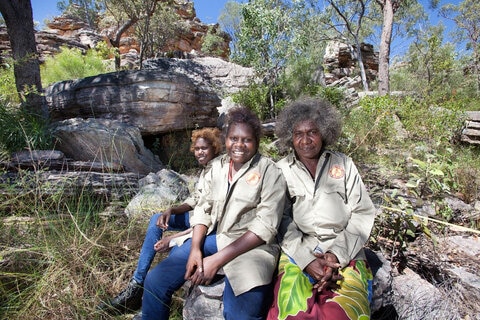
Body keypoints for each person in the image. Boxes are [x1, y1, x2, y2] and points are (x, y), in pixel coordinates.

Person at [140, 107, 287, 320]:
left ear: (257, 142)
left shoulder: (270, 172)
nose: (239, 145)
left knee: (239, 315)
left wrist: (216, 261)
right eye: (234, 138)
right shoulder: (217, 166)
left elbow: (265, 226)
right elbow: (203, 208)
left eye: (247, 140)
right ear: (225, 139)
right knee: (155, 281)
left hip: (252, 248)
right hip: (216, 239)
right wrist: (195, 249)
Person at [267, 97, 376, 320]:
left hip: (345, 250)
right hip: (299, 250)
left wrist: (336, 253)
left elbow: (363, 212)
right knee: (292, 311)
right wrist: (306, 260)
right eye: (298, 133)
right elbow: (280, 220)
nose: (305, 140)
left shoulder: (344, 164)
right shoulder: (280, 170)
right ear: (290, 136)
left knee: (341, 313)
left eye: (312, 132)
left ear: (324, 133)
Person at [98, 127, 222, 315]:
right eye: (196, 149)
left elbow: (211, 219)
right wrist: (171, 210)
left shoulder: (219, 170)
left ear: (215, 148)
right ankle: (137, 283)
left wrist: (174, 238)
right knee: (157, 218)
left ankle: (148, 295)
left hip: (206, 225)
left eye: (204, 148)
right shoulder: (205, 171)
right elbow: (194, 200)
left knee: (179, 251)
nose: (200, 152)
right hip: (196, 218)